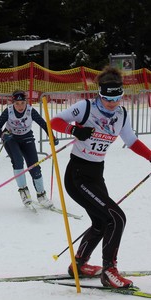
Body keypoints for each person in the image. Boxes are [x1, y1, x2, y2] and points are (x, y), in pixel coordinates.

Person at [50, 66, 151, 288]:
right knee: (117, 217)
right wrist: (73, 130)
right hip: (77, 175)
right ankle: (109, 271)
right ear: (100, 94)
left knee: (102, 221)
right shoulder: (85, 107)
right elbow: (54, 121)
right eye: (107, 98)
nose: (112, 103)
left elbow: (132, 141)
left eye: (117, 98)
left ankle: (79, 264)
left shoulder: (121, 115)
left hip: (96, 173)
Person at [0, 90, 58, 209]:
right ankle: (24, 192)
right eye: (17, 103)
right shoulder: (9, 111)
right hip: (11, 139)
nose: (20, 106)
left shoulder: (30, 111)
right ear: (13, 103)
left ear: (26, 102)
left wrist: (52, 137)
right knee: (18, 161)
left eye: (22, 103)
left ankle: (41, 195)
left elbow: (44, 124)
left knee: (34, 166)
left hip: (27, 138)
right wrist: (3, 135)